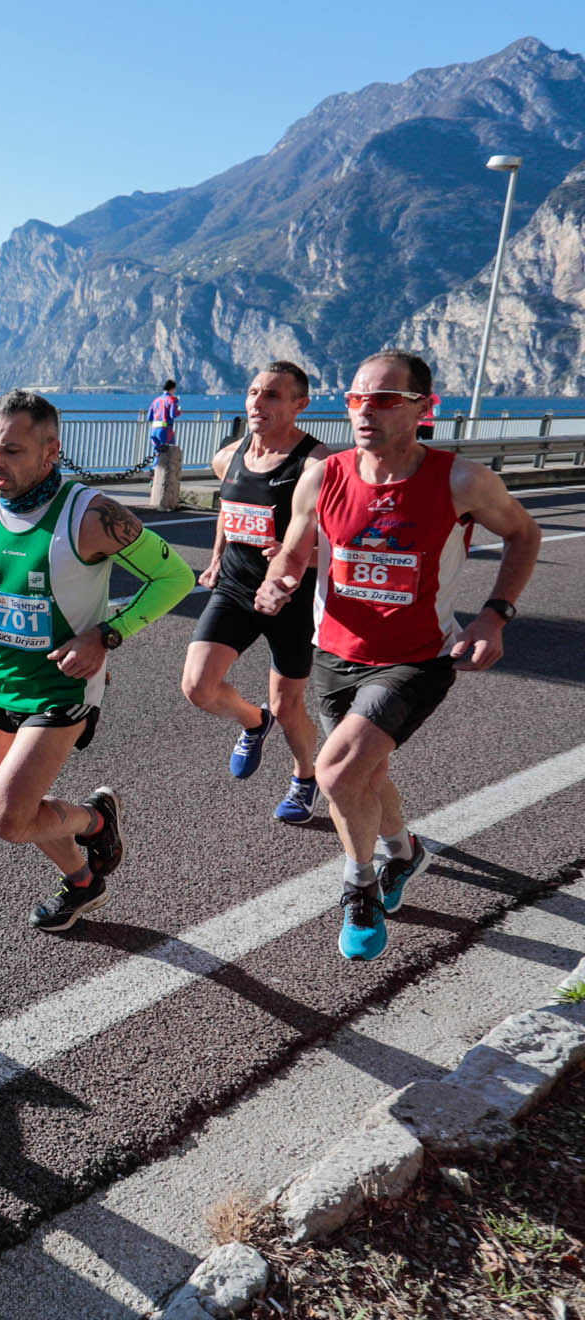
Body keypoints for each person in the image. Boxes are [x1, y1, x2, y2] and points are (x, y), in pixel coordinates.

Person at [255, 350, 540, 961]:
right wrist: (279, 576)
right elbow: (294, 549)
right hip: (333, 653)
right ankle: (405, 852)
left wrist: (495, 613)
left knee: (335, 774)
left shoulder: (460, 480)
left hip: (416, 659)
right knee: (366, 776)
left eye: (384, 399)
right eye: (357, 399)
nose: (365, 411)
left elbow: (524, 532)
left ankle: (359, 887)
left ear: (423, 408)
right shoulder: (323, 475)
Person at [0, 391, 195, 932]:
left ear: (50, 452)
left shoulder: (92, 515)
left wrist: (107, 634)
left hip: (63, 685)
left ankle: (97, 819)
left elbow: (176, 578)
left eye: (11, 450)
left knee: (5, 818)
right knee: (25, 812)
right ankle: (84, 882)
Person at [181, 362, 330, 823]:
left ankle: (305, 779)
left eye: (272, 396)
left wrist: (297, 556)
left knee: (288, 705)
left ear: (299, 406)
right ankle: (252, 720)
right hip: (236, 586)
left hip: (292, 599)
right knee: (198, 687)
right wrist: (215, 558)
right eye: (252, 392)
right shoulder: (228, 457)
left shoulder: (317, 464)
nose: (257, 403)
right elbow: (229, 511)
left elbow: (345, 544)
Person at [148, 379, 181, 458]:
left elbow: (149, 417)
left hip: (154, 430)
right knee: (169, 452)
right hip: (165, 430)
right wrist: (178, 411)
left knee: (157, 453)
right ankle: (167, 470)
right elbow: (172, 415)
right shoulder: (171, 400)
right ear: (172, 389)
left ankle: (154, 468)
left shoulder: (156, 400)